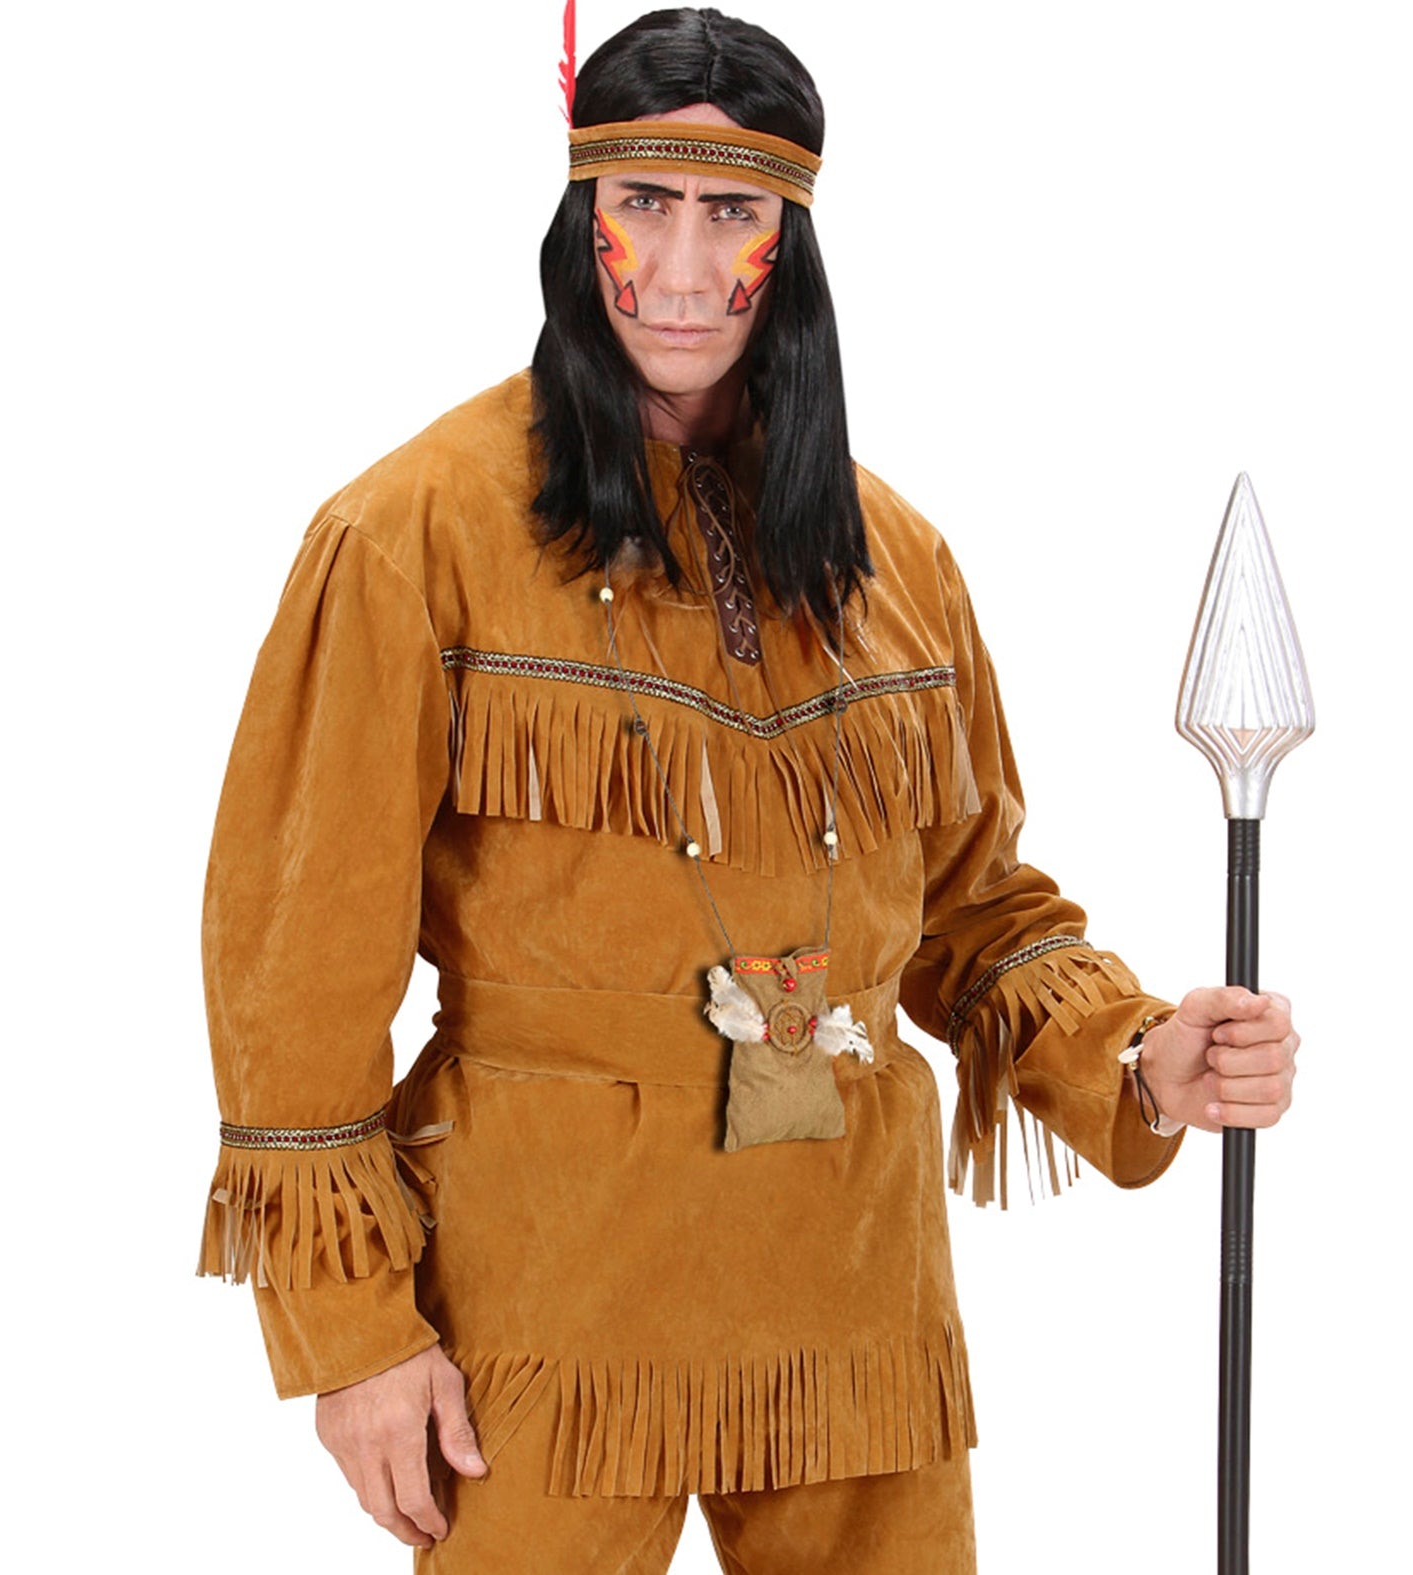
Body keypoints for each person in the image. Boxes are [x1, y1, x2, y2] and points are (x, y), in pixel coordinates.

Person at [198, 9, 1298, 1572]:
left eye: (733, 210)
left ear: (793, 237)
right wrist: (355, 1333)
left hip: (848, 1295)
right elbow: (294, 966)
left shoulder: (891, 558)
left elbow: (974, 914)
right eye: (642, 201)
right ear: (580, 215)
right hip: (547, 1289)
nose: (683, 264)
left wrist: (1136, 1058)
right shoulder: (412, 532)